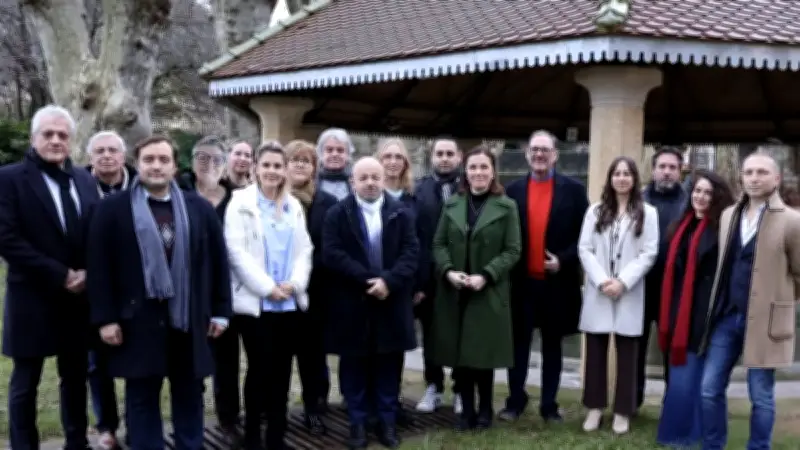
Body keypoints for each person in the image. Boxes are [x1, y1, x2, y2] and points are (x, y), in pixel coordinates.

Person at [87, 135, 232, 450]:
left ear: (175, 166)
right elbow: (99, 269)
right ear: (137, 164)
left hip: (188, 319)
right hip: (137, 320)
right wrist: (105, 319)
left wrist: (221, 311)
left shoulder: (199, 208)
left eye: (163, 160)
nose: (156, 166)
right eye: (149, 159)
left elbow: (218, 262)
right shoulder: (112, 209)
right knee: (141, 396)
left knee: (189, 393)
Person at [0, 105, 100, 450]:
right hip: (32, 297)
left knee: (75, 378)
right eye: (48, 134)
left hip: (77, 300)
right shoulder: (9, 179)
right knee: (25, 382)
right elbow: (7, 239)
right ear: (33, 138)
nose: (56, 140)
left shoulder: (84, 179)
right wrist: (60, 275)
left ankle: (77, 442)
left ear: (71, 141)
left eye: (63, 135)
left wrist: (88, 272)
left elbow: (94, 233)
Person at [699, 151, 800, 450]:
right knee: (709, 389)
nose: (754, 178)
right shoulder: (729, 215)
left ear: (776, 179)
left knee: (761, 396)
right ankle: (713, 446)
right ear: (741, 177)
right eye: (749, 172)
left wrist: (779, 298)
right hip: (727, 317)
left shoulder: (792, 221)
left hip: (766, 321)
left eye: (762, 172)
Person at [322, 157, 419, 449]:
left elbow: (411, 253)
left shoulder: (401, 213)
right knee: (354, 368)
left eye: (375, 177)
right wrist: (367, 281)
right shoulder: (337, 213)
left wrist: (388, 281)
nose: (370, 183)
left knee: (388, 366)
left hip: (391, 301)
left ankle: (387, 423)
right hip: (353, 302)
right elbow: (332, 253)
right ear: (352, 181)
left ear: (384, 179)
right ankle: (358, 424)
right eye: (363, 177)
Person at [224, 141, 314, 450]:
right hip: (258, 303)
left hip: (288, 303)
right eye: (267, 165)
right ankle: (252, 437)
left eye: (278, 165)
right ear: (256, 169)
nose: (272, 171)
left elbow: (304, 249)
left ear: (285, 170)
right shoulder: (240, 203)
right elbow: (236, 252)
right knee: (259, 371)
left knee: (282, 373)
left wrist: (295, 283)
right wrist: (267, 287)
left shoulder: (293, 206)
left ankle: (276, 437)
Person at [429, 146, 521, 431]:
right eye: (473, 167)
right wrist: (448, 271)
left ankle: (485, 410)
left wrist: (487, 275)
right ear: (465, 172)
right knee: (462, 357)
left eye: (484, 167)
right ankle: (466, 410)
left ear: (493, 172)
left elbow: (513, 250)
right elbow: (438, 244)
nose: (478, 172)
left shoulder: (507, 206)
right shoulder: (452, 204)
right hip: (457, 291)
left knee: (483, 356)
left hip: (487, 290)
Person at [501, 130, 589, 423]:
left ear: (555, 155)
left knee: (553, 346)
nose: (539, 155)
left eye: (545, 150)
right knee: (518, 346)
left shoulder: (574, 191)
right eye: (535, 149)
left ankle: (549, 405)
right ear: (527, 154)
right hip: (521, 283)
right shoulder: (512, 190)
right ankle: (515, 401)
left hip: (557, 284)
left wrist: (563, 260)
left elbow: (586, 237)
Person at [577, 156, 659, 435]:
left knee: (628, 353)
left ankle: (623, 411)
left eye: (627, 173)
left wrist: (623, 282)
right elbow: (585, 249)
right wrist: (602, 281)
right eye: (617, 173)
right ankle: (594, 408)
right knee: (595, 351)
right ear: (610, 178)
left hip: (629, 290)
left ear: (635, 179)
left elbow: (649, 252)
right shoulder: (595, 211)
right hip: (599, 290)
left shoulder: (648, 213)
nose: (622, 178)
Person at [656, 170, 734, 447]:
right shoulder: (681, 225)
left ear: (718, 197)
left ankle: (692, 434)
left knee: (698, 379)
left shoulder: (722, 230)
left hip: (706, 314)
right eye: (697, 191)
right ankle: (676, 433)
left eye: (708, 193)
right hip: (679, 313)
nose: (701, 197)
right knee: (681, 377)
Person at [178, 136, 240, 441]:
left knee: (227, 362)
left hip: (229, 289)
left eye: (216, 159)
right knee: (191, 362)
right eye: (202, 157)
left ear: (225, 165)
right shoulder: (180, 194)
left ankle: (228, 420)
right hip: (190, 290)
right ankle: (193, 425)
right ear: (192, 162)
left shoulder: (237, 198)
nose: (209, 164)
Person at [285, 139, 338, 434]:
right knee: (277, 357)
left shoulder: (327, 203)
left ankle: (314, 409)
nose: (300, 165)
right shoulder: (271, 199)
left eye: (306, 161)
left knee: (313, 358)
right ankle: (274, 410)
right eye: (294, 159)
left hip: (315, 292)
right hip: (278, 292)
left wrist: (303, 274)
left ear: (314, 168)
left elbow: (330, 247)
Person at [85, 130, 134, 449]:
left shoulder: (141, 185)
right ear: (90, 157)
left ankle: (136, 422)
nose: (106, 156)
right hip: (94, 287)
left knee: (137, 362)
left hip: (135, 290)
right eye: (99, 151)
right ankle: (106, 426)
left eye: (112, 150)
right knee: (97, 364)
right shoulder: (79, 187)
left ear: (123, 155)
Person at [413, 137, 464, 414]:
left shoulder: (469, 187)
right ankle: (433, 385)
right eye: (439, 153)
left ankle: (460, 389)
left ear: (459, 157)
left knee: (460, 333)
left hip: (461, 273)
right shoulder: (418, 190)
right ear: (432, 157)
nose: (444, 158)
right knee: (431, 334)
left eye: (449, 153)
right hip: (430, 276)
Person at [639, 146, 688, 407]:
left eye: (672, 167)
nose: (667, 172)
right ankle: (632, 402)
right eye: (662, 167)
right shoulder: (638, 200)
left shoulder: (690, 203)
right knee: (636, 346)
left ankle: (673, 403)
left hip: (675, 289)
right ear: (653, 169)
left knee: (672, 347)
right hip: (641, 286)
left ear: (681, 172)